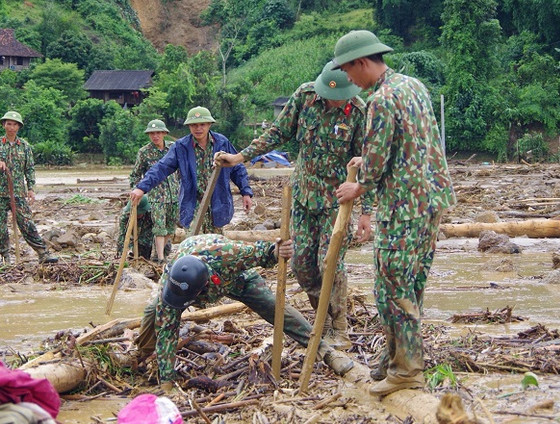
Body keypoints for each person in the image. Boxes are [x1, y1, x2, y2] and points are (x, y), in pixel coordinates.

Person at [215, 61, 372, 349]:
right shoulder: (304, 97)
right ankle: (322, 319)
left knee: (330, 263)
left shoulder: (360, 113)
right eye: (330, 96)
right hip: (302, 197)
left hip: (336, 202)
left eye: (340, 98)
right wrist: (239, 157)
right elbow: (277, 133)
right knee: (301, 264)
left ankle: (338, 327)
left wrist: (366, 212)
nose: (335, 102)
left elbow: (367, 164)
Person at [332, 30, 455, 396]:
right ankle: (395, 357)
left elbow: (376, 165)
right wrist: (368, 160)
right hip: (429, 202)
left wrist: (358, 186)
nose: (349, 79)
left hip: (402, 206)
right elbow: (408, 142)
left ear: (361, 62)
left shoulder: (381, 100)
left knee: (392, 289)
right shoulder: (413, 86)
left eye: (348, 71)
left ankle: (407, 371)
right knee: (411, 285)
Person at [135, 234, 354, 390]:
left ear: (204, 286)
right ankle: (142, 356)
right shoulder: (171, 284)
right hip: (191, 274)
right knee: (155, 313)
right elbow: (167, 332)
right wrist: (167, 383)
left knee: (274, 308)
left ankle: (327, 352)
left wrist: (277, 251)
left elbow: (262, 252)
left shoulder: (228, 254)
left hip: (236, 279)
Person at [129, 106, 253, 235]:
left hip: (217, 202)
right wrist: (141, 188)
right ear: (189, 126)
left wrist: (246, 192)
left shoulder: (221, 142)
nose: (198, 128)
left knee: (215, 243)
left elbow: (237, 168)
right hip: (193, 204)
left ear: (209, 124)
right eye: (194, 125)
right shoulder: (181, 146)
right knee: (193, 241)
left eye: (202, 125)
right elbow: (161, 168)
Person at [0, 111, 58, 265]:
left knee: (27, 224)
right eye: (9, 124)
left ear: (18, 127)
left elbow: (29, 169)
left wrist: (31, 189)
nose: (11, 127)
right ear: (4, 125)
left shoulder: (24, 146)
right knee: (1, 228)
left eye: (14, 124)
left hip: (18, 193)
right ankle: (5, 257)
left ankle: (42, 253)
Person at [128, 119, 179, 261]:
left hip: (174, 195)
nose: (155, 136)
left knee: (170, 228)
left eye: (158, 133)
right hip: (156, 196)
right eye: (152, 133)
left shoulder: (173, 148)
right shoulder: (144, 152)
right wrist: (137, 191)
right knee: (159, 227)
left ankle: (159, 254)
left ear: (164, 133)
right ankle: (160, 258)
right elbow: (135, 175)